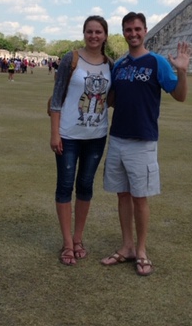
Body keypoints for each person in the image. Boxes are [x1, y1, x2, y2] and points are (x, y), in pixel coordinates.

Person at [100, 12, 190, 277]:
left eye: (137, 29)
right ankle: (126, 246)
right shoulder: (120, 65)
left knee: (140, 198)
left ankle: (141, 250)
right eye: (128, 29)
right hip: (117, 138)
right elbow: (113, 99)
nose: (133, 33)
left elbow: (180, 96)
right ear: (124, 32)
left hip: (143, 140)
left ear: (145, 30)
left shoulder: (157, 62)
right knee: (123, 195)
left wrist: (182, 72)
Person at [49, 16, 113, 266]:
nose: (94, 36)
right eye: (90, 31)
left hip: (96, 136)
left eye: (98, 32)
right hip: (68, 134)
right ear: (84, 33)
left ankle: (78, 238)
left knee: (86, 186)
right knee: (65, 185)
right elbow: (56, 98)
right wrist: (54, 133)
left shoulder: (111, 64)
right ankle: (66, 242)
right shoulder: (71, 59)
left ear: (105, 35)